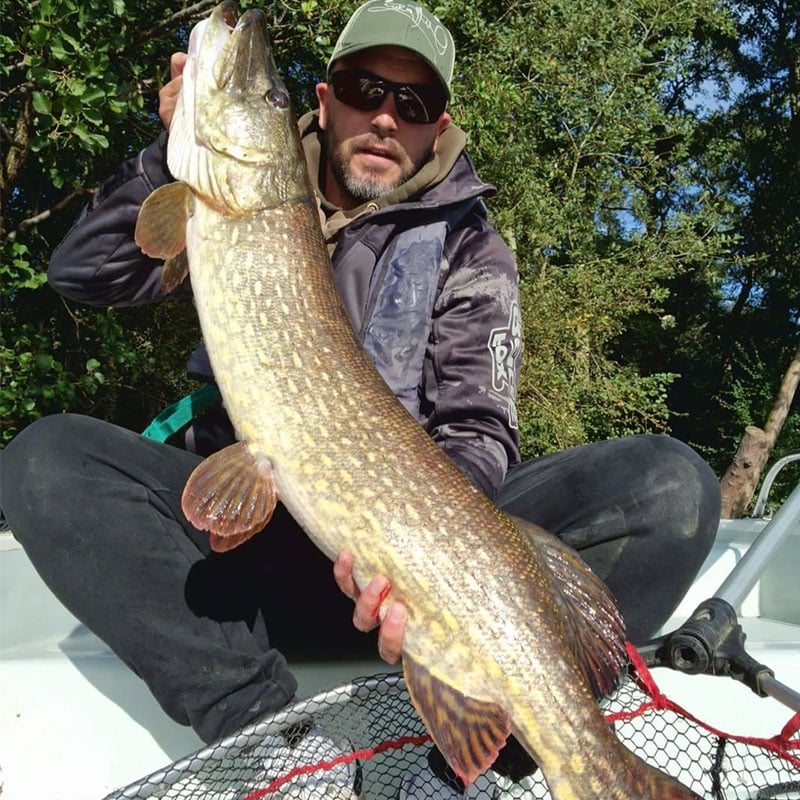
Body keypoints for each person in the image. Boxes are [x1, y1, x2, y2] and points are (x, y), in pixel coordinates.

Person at [0, 0, 721, 794]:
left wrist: (417, 560)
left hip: (408, 560)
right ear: (321, 99)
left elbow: (479, 430)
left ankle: (484, 767)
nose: (384, 117)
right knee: (45, 461)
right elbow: (83, 274)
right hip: (251, 565)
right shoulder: (226, 199)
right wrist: (161, 157)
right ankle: (276, 744)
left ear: (437, 124)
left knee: (669, 485)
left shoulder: (470, 248)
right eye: (363, 87)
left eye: (410, 105)